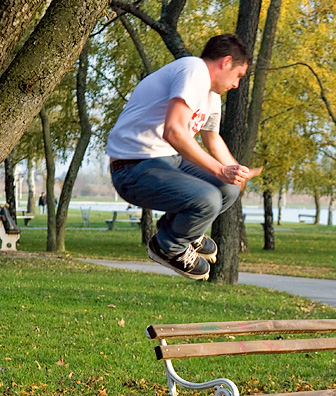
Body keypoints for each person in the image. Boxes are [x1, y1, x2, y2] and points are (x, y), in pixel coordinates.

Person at [107, 34, 259, 280]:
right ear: (226, 62)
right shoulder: (193, 70)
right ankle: (168, 246)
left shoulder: (211, 95)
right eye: (238, 76)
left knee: (228, 189)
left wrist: (234, 170)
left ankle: (183, 229)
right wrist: (220, 170)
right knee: (208, 199)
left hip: (167, 162)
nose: (236, 85)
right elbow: (174, 131)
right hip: (132, 168)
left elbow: (212, 139)